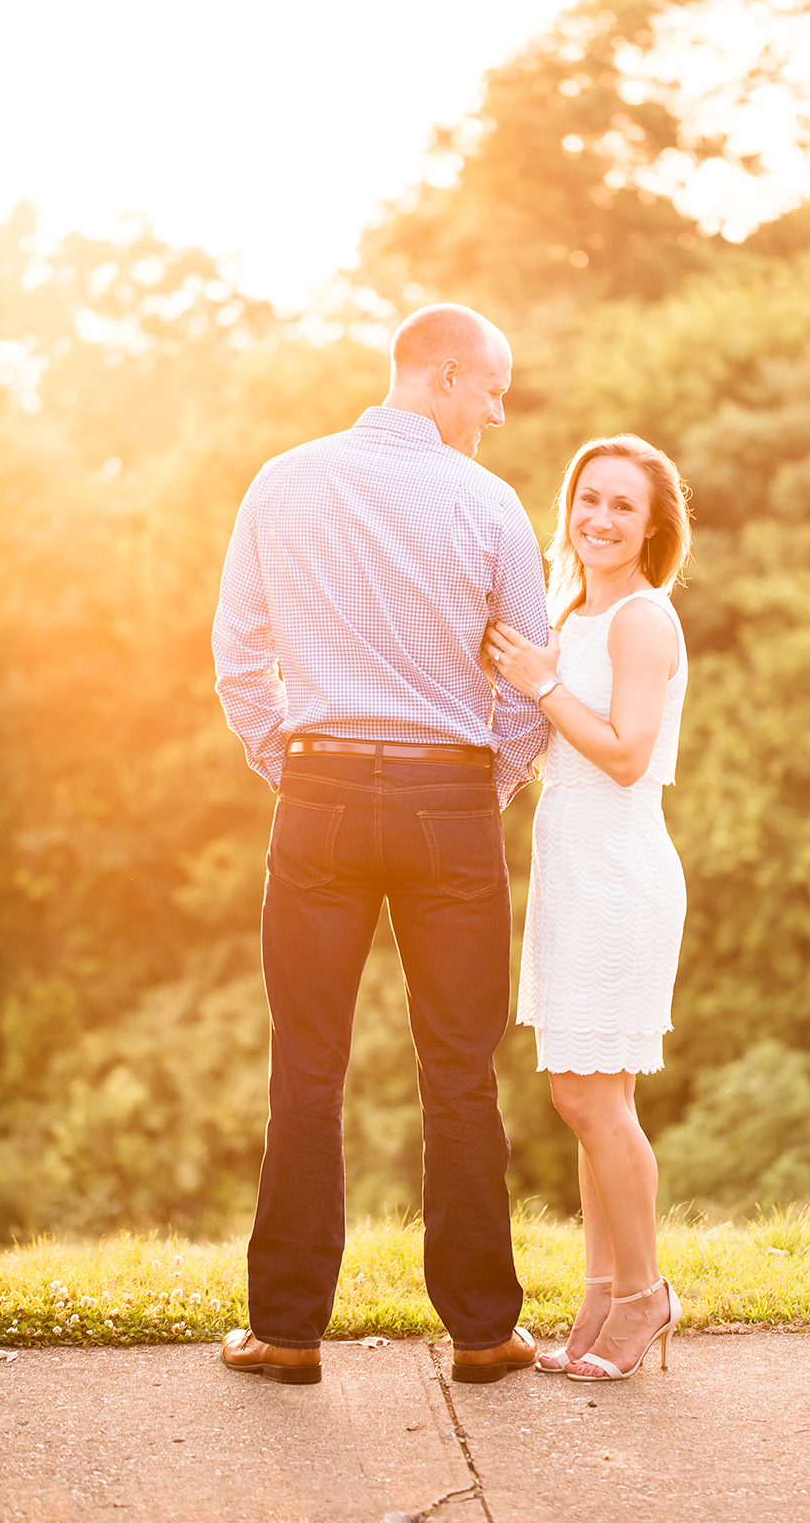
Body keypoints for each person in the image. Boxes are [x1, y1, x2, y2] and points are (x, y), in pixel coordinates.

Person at [212, 303, 550, 1386]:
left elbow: (236, 654)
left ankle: (287, 1333)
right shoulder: (488, 502)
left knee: (306, 1069)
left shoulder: (285, 478)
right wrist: (480, 781)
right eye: (491, 387)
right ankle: (485, 1332)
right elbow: (533, 680)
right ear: (444, 376)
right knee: (460, 1074)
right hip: (448, 804)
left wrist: (293, 765)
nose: (498, 409)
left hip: (318, 796)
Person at [484, 433, 690, 1383]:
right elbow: (544, 740)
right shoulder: (568, 615)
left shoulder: (644, 620)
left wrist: (540, 682)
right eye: (588, 499)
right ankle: (601, 1298)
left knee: (585, 1093)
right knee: (594, 1096)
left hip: (620, 872)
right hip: (569, 870)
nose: (599, 519)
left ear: (651, 529)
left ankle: (645, 1297)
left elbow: (623, 753)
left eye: (622, 508)